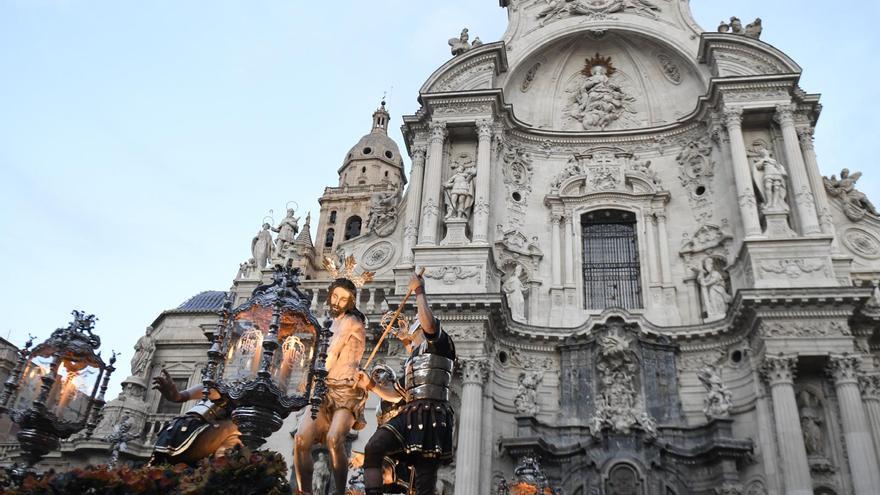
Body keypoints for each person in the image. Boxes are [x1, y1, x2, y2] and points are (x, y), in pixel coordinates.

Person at [356, 272, 456, 495]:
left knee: (424, 480)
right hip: (411, 413)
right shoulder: (414, 361)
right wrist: (370, 385)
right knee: (373, 447)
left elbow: (429, 324)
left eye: (412, 335)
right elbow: (395, 393)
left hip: (432, 415)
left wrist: (419, 291)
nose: (409, 340)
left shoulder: (440, 344)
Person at [293, 278, 368, 495]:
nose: (337, 302)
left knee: (335, 439)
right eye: (335, 296)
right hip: (324, 388)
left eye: (343, 298)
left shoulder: (351, 321)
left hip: (346, 389)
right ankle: (304, 491)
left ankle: (338, 492)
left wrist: (311, 381)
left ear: (351, 302)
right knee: (300, 440)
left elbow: (331, 353)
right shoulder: (331, 322)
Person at [149, 370, 241, 465]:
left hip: (174, 433)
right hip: (189, 432)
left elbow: (181, 396)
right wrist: (177, 396)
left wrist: (177, 396)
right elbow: (210, 390)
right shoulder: (222, 392)